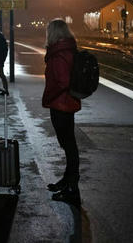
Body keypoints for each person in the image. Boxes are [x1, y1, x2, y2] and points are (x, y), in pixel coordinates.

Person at [42, 18, 82, 208]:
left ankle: (73, 190)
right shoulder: (67, 50)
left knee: (69, 146)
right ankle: (67, 182)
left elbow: (62, 81)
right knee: (68, 145)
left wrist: (49, 95)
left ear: (54, 33)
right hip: (66, 103)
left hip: (61, 104)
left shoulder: (59, 54)